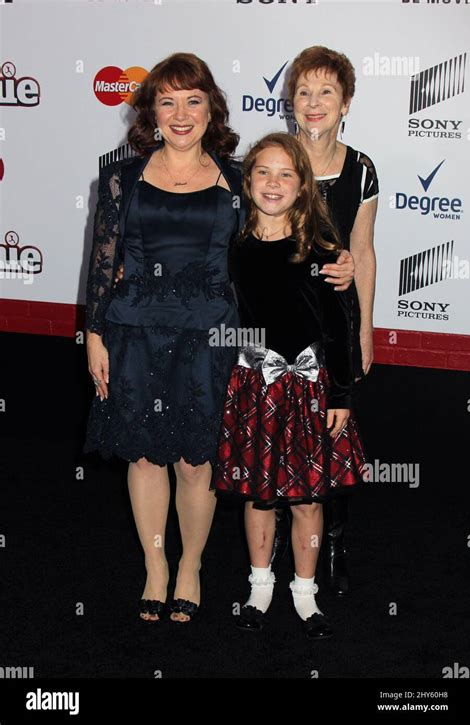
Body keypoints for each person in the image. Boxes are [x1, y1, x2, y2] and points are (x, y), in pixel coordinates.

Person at [84, 52, 244, 623]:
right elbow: (102, 264)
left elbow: (272, 254)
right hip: (133, 333)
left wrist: (339, 264)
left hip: (210, 338)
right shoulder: (120, 179)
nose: (180, 114)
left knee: (196, 460)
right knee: (147, 455)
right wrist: (94, 335)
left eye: (193, 100)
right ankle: (156, 567)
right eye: (167, 101)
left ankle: (191, 566)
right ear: (150, 112)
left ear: (211, 108)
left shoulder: (240, 179)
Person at [211, 133, 366, 638]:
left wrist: (340, 394)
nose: (272, 183)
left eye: (286, 175)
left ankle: (305, 591)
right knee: (258, 495)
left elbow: (341, 326)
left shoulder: (322, 249)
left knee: (307, 500)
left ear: (302, 186)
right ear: (246, 179)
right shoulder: (233, 244)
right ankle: (259, 585)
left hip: (309, 389)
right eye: (263, 172)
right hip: (255, 385)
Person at [270, 46, 379, 594]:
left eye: (326, 93)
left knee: (331, 437)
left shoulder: (361, 169)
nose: (313, 103)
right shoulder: (273, 160)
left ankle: (330, 537)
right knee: (276, 434)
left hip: (336, 325)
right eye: (304, 92)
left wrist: (365, 332)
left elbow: (364, 250)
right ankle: (275, 543)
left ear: (346, 104)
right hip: (280, 327)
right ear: (291, 101)